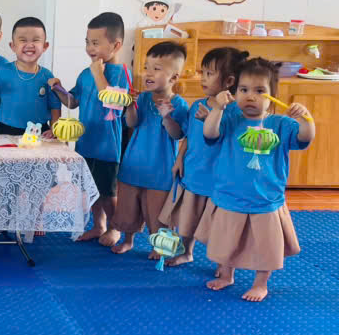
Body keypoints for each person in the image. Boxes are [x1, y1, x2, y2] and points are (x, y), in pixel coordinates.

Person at [197, 57, 315, 302]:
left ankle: (261, 283)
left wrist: (306, 119)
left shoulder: (281, 124)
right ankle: (226, 275)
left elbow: (305, 138)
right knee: (226, 242)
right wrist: (217, 109)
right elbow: (209, 133)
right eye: (243, 90)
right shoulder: (230, 119)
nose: (250, 96)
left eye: (260, 91)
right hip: (230, 197)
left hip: (266, 199)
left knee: (266, 247)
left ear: (273, 96)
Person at [157, 47, 247, 266]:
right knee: (188, 218)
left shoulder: (236, 111)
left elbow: (232, 142)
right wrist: (179, 159)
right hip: (193, 172)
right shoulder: (197, 105)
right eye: (202, 72)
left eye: (209, 74)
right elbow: (188, 136)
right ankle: (187, 252)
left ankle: (224, 264)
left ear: (229, 81)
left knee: (219, 225)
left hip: (218, 179)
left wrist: (212, 118)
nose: (203, 78)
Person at [106, 40, 187, 255]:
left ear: (174, 77)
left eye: (156, 69)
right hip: (134, 165)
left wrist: (167, 117)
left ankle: (159, 246)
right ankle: (128, 240)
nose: (148, 73)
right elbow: (132, 123)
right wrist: (130, 106)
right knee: (128, 208)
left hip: (160, 170)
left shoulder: (179, 104)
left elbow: (178, 134)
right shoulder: (141, 98)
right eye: (146, 67)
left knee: (157, 212)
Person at [55, 13, 131, 242]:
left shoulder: (122, 73)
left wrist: (99, 73)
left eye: (96, 43)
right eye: (87, 42)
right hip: (86, 142)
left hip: (108, 146)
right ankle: (99, 226)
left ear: (116, 45)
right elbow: (73, 102)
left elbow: (113, 103)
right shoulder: (85, 74)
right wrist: (58, 89)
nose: (90, 48)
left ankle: (114, 228)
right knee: (90, 189)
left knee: (108, 193)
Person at [0, 17, 61, 135]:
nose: (29, 45)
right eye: (23, 40)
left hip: (39, 131)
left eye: (36, 40)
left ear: (45, 46)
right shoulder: (1, 72)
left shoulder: (47, 76)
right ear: (13, 46)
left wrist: (55, 129)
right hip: (5, 131)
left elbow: (55, 107)